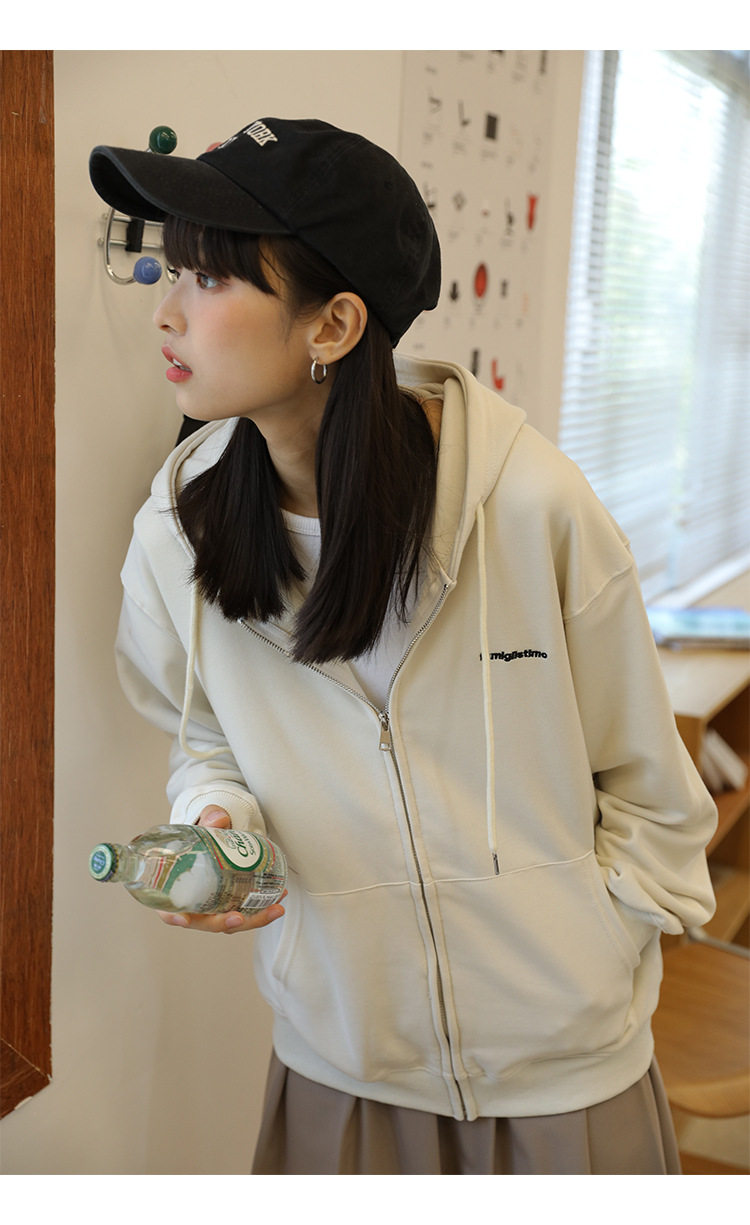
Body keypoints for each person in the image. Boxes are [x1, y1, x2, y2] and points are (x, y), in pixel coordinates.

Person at [89, 117, 717, 1175]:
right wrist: (216, 818)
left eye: (211, 278)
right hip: (343, 1067)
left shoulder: (530, 507)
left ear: (333, 324)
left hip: (569, 1080)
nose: (169, 311)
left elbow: (653, 791)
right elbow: (206, 742)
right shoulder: (176, 536)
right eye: (173, 271)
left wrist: (594, 951)